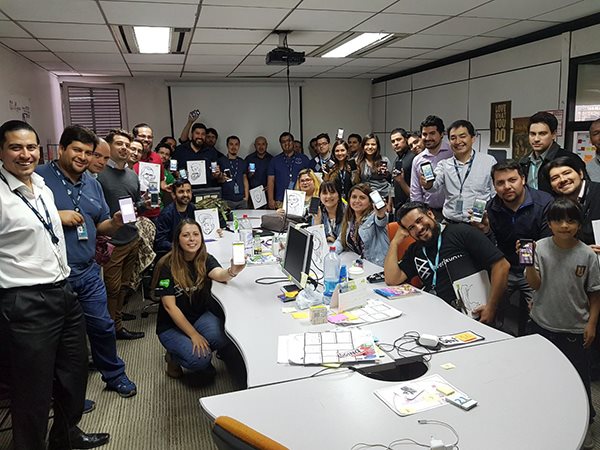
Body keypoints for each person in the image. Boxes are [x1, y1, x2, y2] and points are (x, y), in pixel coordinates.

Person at [0, 120, 109, 450]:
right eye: (16, 147)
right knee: (32, 389)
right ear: (1, 152)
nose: (25, 154)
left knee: (73, 374)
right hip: (25, 300)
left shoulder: (42, 186)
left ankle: (65, 435)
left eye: (31, 147)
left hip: (63, 290)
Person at [37, 125, 138, 400]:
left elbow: (100, 225)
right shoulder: (38, 178)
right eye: (77, 150)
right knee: (64, 339)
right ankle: (67, 396)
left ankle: (114, 375)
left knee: (103, 326)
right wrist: (57, 215)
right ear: (61, 149)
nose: (83, 157)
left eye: (88, 152)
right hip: (55, 275)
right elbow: (23, 217)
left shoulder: (92, 183)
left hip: (88, 270)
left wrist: (115, 222)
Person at [523, 197, 599, 449]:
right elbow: (535, 284)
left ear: (579, 224)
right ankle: (549, 419)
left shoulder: (587, 254)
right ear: (549, 223)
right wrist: (527, 262)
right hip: (542, 324)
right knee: (545, 376)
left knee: (579, 378)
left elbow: (595, 294)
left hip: (574, 328)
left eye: (570, 220)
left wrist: (591, 324)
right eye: (558, 220)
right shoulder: (539, 248)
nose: (564, 226)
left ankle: (586, 423)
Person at [384, 201, 509, 324]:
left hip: (474, 314)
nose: (419, 228)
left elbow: (501, 265)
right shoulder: (415, 250)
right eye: (411, 228)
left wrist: (491, 307)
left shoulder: (461, 232)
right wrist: (395, 242)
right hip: (438, 317)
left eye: (419, 220)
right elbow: (392, 279)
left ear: (430, 214)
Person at [155, 219, 245, 378]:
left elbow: (219, 274)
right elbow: (170, 307)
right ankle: (173, 357)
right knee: (200, 360)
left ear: (201, 238)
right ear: (177, 239)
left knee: (226, 336)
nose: (192, 239)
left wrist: (233, 271)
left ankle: (193, 350)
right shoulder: (167, 265)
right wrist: (193, 334)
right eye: (186, 235)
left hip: (198, 317)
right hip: (170, 326)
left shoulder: (205, 258)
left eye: (196, 234)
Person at [474, 159, 553, 335]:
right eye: (500, 183)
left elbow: (549, 244)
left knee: (541, 315)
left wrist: (534, 252)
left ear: (523, 179)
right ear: (494, 186)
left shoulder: (544, 202)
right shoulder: (491, 208)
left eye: (512, 180)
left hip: (535, 267)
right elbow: (492, 248)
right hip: (506, 267)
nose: (507, 187)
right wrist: (485, 231)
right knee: (489, 308)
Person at [97, 129, 146, 340]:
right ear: (109, 147)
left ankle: (117, 321)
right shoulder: (99, 174)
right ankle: (111, 331)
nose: (124, 148)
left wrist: (143, 204)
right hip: (112, 243)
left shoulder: (132, 175)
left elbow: (135, 204)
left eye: (127, 145)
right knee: (112, 289)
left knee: (125, 286)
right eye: (119, 144)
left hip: (131, 237)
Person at [420, 120, 496, 223]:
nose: (457, 141)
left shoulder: (488, 161)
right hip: (450, 221)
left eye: (462, 136)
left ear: (473, 138)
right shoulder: (444, 165)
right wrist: (427, 184)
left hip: (477, 222)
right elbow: (433, 187)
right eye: (453, 138)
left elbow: (495, 193)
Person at [519, 111, 584, 194]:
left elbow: (583, 190)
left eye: (542, 134)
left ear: (553, 134)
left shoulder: (569, 159)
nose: (536, 139)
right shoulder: (523, 162)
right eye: (532, 134)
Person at [547, 156, 600, 253]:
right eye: (555, 178)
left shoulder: (597, 192)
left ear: (580, 174)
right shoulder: (554, 204)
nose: (562, 179)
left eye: (567, 173)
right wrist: (582, 251)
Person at [333, 183, 389, 266]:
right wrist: (331, 253)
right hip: (359, 263)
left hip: (376, 265)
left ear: (370, 202)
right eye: (354, 197)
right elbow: (341, 240)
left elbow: (381, 222)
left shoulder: (374, 216)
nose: (357, 201)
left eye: (362, 198)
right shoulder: (350, 218)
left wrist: (381, 214)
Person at [410, 115, 452, 218]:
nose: (428, 138)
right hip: (428, 212)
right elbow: (415, 191)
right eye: (424, 134)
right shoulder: (418, 160)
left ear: (441, 134)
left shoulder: (452, 153)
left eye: (432, 133)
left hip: (451, 212)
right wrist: (420, 213)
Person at [266, 132, 311, 209]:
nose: (286, 143)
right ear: (280, 144)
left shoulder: (304, 159)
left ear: (293, 142)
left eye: (289, 141)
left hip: (300, 199)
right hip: (280, 200)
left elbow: (311, 179)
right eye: (283, 142)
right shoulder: (275, 160)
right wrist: (270, 199)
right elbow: (271, 181)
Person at [155, 178, 196, 254]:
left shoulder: (193, 209)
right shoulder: (166, 214)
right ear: (173, 195)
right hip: (173, 253)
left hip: (191, 249)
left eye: (188, 191)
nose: (185, 195)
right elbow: (160, 241)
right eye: (181, 192)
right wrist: (180, 247)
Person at [173, 123, 220, 188]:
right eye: (197, 133)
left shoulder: (211, 151)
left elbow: (215, 172)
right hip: (185, 190)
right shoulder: (180, 150)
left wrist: (216, 174)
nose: (200, 137)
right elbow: (172, 170)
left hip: (206, 190)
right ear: (192, 134)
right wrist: (176, 174)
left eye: (203, 134)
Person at [354, 133, 392, 212]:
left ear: (377, 146)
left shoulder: (384, 160)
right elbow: (355, 182)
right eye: (367, 144)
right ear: (363, 146)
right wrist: (356, 172)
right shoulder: (357, 161)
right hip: (365, 197)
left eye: (373, 144)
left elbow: (391, 183)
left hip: (383, 197)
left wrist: (390, 203)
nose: (370, 147)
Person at [215, 135, 249, 210]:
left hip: (241, 200)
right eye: (231, 144)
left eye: (236, 144)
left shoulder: (242, 162)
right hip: (226, 200)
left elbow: (245, 179)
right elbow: (217, 179)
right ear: (227, 146)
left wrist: (246, 197)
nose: (234, 147)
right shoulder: (221, 161)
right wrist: (221, 178)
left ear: (239, 146)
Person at [390, 128, 414, 211]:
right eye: (393, 141)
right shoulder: (397, 159)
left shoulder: (413, 157)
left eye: (398, 139)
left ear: (406, 140)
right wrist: (390, 202)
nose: (396, 143)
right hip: (398, 205)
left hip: (410, 205)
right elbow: (393, 183)